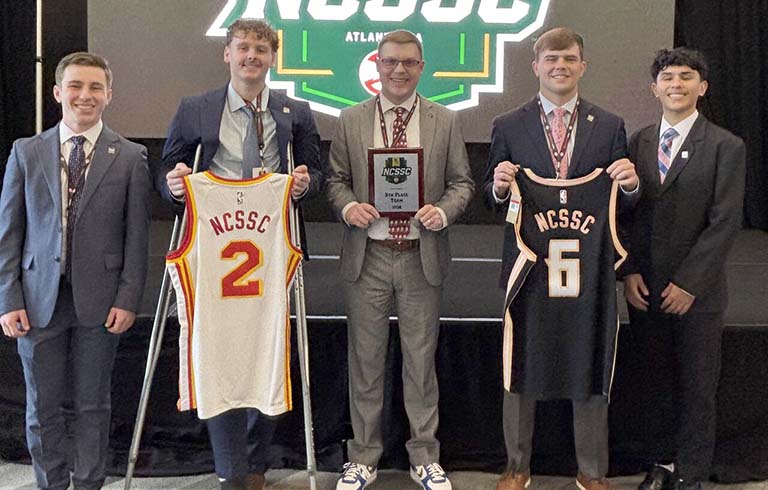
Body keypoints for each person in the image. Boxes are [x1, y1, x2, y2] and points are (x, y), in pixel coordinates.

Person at [153, 19, 324, 490]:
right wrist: (172, 185)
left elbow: (318, 173)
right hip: (214, 248)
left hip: (273, 248)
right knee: (222, 356)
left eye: (262, 49)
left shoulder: (296, 111)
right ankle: (231, 469)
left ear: (273, 58)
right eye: (243, 47)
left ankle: (255, 466)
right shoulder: (196, 108)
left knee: (266, 352)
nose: (252, 56)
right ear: (226, 54)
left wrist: (307, 184)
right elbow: (168, 169)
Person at [482, 27, 639, 490]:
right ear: (535, 66)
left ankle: (591, 470)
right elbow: (493, 201)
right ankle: (516, 466)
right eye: (551, 58)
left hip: (588, 268)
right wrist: (499, 185)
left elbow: (619, 205)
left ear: (582, 66)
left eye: (569, 59)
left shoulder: (609, 126)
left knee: (589, 357)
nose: (560, 66)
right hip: (528, 267)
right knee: (520, 360)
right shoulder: (508, 124)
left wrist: (630, 185)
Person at [327, 29, 474, 490]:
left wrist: (443, 210)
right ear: (377, 64)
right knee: (365, 362)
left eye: (409, 62)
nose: (399, 70)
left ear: (421, 67)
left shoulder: (444, 121)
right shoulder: (350, 119)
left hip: (419, 255)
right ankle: (364, 457)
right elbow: (335, 181)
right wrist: (349, 206)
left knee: (420, 362)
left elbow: (463, 184)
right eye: (390, 61)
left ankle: (424, 457)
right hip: (367, 254)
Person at [0, 52, 151, 490]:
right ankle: (51, 484)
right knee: (41, 406)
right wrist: (8, 298)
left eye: (95, 88)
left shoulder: (130, 157)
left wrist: (128, 298)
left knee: (92, 405)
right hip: (35, 300)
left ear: (108, 95)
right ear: (57, 92)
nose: (85, 96)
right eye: (76, 86)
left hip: (101, 302)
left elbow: (136, 238)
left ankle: (88, 484)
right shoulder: (25, 152)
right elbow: (9, 233)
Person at [622, 48, 745, 490]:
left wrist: (690, 283)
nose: (676, 84)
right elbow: (628, 214)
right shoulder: (637, 142)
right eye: (667, 77)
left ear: (702, 87)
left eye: (686, 76)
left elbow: (725, 220)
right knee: (655, 384)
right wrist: (629, 270)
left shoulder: (726, 146)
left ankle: (690, 476)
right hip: (646, 290)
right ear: (654, 87)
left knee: (697, 390)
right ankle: (661, 468)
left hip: (699, 294)